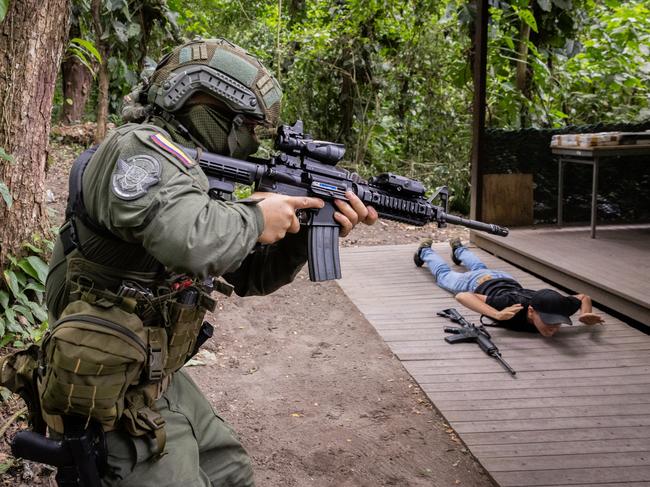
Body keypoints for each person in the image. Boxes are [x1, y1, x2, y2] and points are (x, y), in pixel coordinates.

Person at [41, 38, 377, 486]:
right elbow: (192, 241)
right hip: (105, 383)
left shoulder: (190, 173)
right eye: (247, 126)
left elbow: (250, 274)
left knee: (232, 472)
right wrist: (256, 216)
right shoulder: (139, 150)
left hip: (153, 374)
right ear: (204, 106)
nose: (251, 140)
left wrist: (309, 226)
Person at [413, 238, 604, 337]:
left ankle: (459, 248)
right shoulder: (509, 306)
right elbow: (463, 296)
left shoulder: (559, 306)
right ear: (531, 311)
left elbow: (582, 297)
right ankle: (425, 251)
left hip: (504, 278)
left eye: (557, 323)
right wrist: (496, 314)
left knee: (480, 267)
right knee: (444, 275)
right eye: (548, 322)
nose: (554, 327)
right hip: (476, 282)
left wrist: (583, 315)